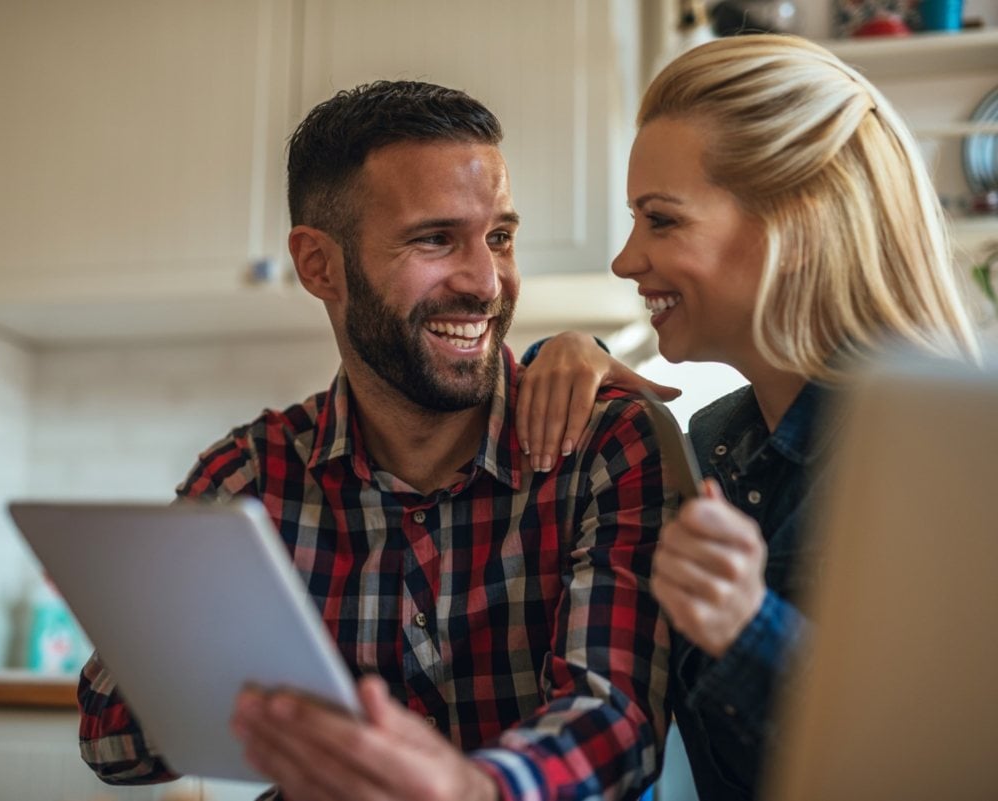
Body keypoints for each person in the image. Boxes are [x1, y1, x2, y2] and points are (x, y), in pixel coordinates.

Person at [76, 80, 674, 801]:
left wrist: (470, 788)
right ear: (320, 266)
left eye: (501, 238)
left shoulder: (602, 443)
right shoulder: (250, 479)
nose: (487, 283)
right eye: (435, 238)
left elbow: (618, 720)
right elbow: (109, 737)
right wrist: (263, 658)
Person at [518, 34, 981, 800]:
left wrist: (749, 626)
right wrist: (564, 353)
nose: (625, 260)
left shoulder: (947, 461)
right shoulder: (714, 441)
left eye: (661, 221)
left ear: (794, 226)